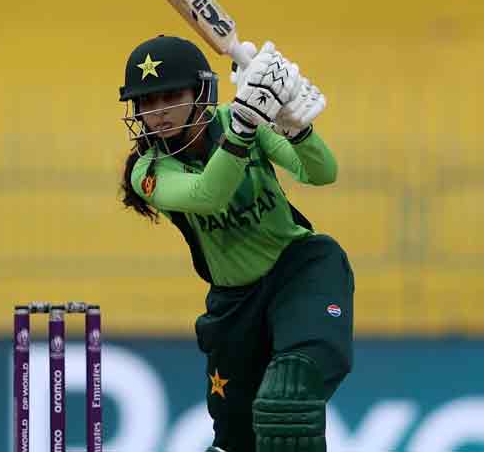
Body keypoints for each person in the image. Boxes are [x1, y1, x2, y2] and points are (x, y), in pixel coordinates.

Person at [118, 35, 354, 452]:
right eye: (147, 102)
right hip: (234, 307)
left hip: (299, 272)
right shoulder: (149, 171)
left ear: (200, 93)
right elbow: (209, 194)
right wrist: (246, 124)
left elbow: (322, 173)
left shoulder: (238, 121)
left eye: (171, 96)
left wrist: (297, 128)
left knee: (290, 396)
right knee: (236, 444)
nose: (159, 112)